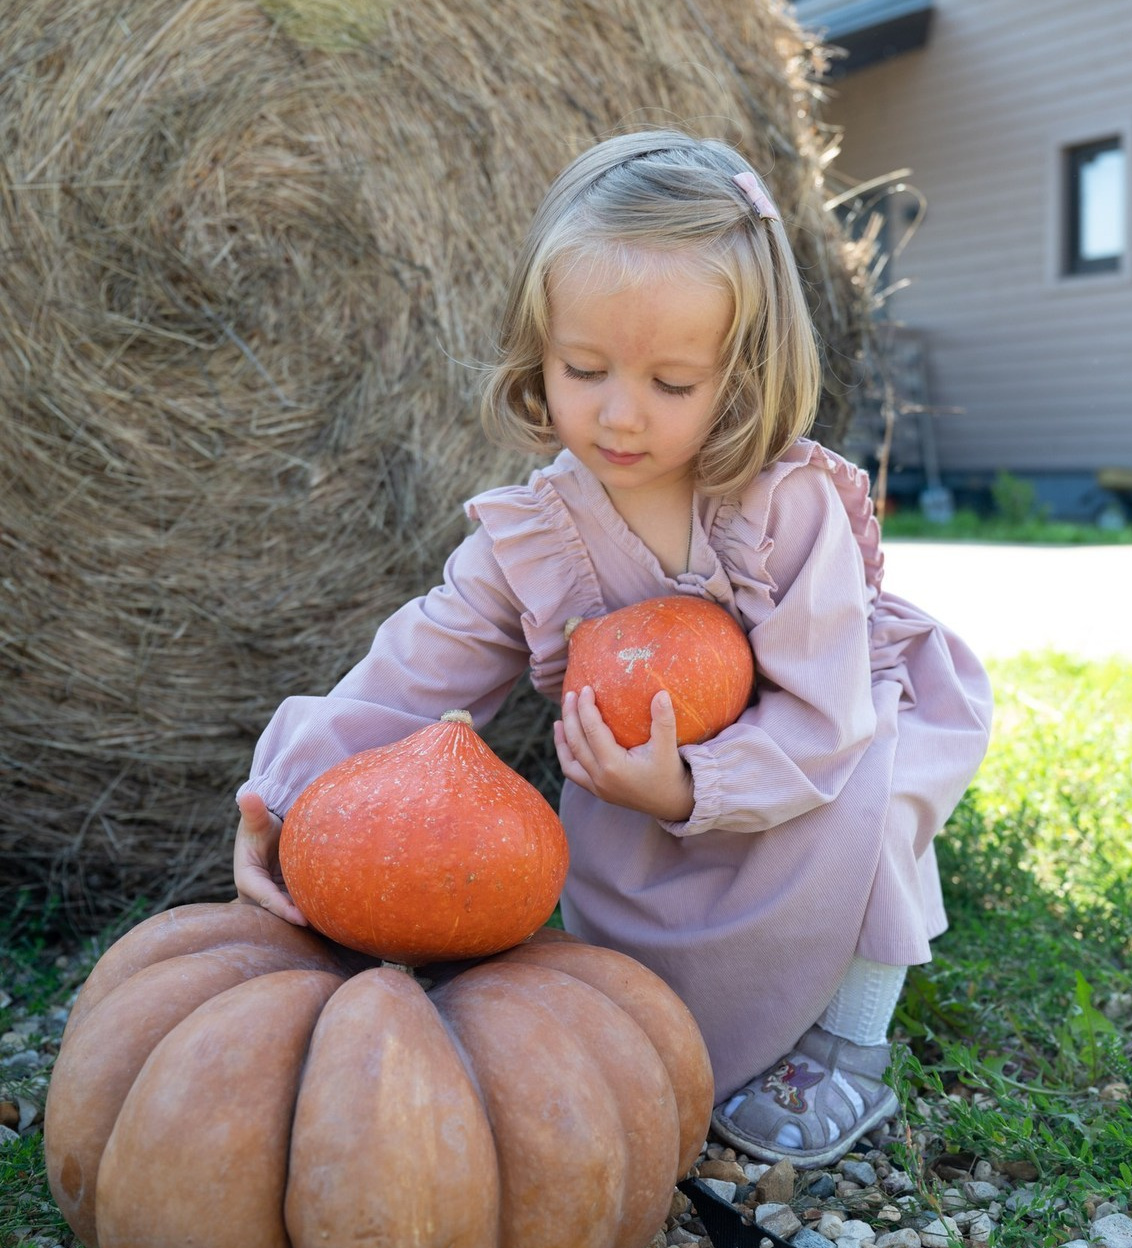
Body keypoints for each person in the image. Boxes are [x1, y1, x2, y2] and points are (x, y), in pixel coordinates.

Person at [234, 128, 992, 1170]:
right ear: (537, 346)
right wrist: (286, 791)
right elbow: (417, 669)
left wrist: (698, 787)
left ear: (739, 373)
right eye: (582, 367)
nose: (618, 412)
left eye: (672, 382)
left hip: (812, 752)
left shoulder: (785, 506)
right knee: (624, 947)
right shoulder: (533, 534)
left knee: (882, 796)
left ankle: (845, 1043)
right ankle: (674, 1027)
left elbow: (825, 708)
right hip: (635, 787)